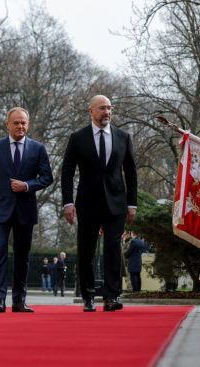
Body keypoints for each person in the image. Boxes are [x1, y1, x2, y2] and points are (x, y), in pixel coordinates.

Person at [61, 94, 137, 312]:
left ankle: (111, 296)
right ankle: (88, 296)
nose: (107, 112)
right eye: (102, 108)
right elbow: (67, 172)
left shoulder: (123, 137)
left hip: (116, 202)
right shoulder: (78, 138)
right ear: (91, 111)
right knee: (86, 250)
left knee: (113, 248)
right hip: (87, 202)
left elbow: (131, 173)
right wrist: (67, 202)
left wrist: (132, 204)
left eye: (110, 108)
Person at [0, 107, 53, 313]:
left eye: (23, 123)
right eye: (16, 123)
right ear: (7, 124)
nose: (20, 126)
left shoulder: (38, 149)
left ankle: (19, 300)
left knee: (22, 256)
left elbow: (47, 177)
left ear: (28, 124)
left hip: (25, 210)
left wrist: (27, 185)